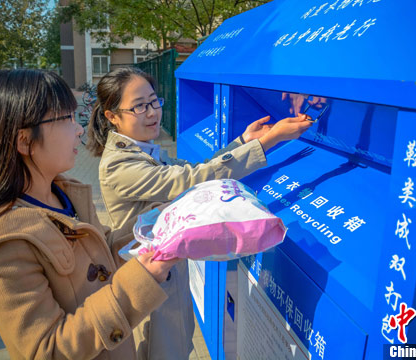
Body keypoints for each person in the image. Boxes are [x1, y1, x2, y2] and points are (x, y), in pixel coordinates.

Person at [86, 67, 312, 359]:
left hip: (166, 267)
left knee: (176, 342)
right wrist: (267, 143)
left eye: (154, 101)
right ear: (112, 116)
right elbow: (190, 181)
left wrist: (243, 142)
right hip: (152, 272)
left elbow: (196, 170)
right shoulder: (120, 164)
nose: (152, 112)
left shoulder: (142, 149)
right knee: (167, 348)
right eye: (139, 106)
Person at [0, 69, 180, 359]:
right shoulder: (2, 244)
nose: (79, 129)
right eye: (65, 119)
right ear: (24, 141)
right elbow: (48, 350)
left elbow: (103, 257)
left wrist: (164, 219)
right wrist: (142, 281)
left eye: (76, 117)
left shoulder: (66, 194)